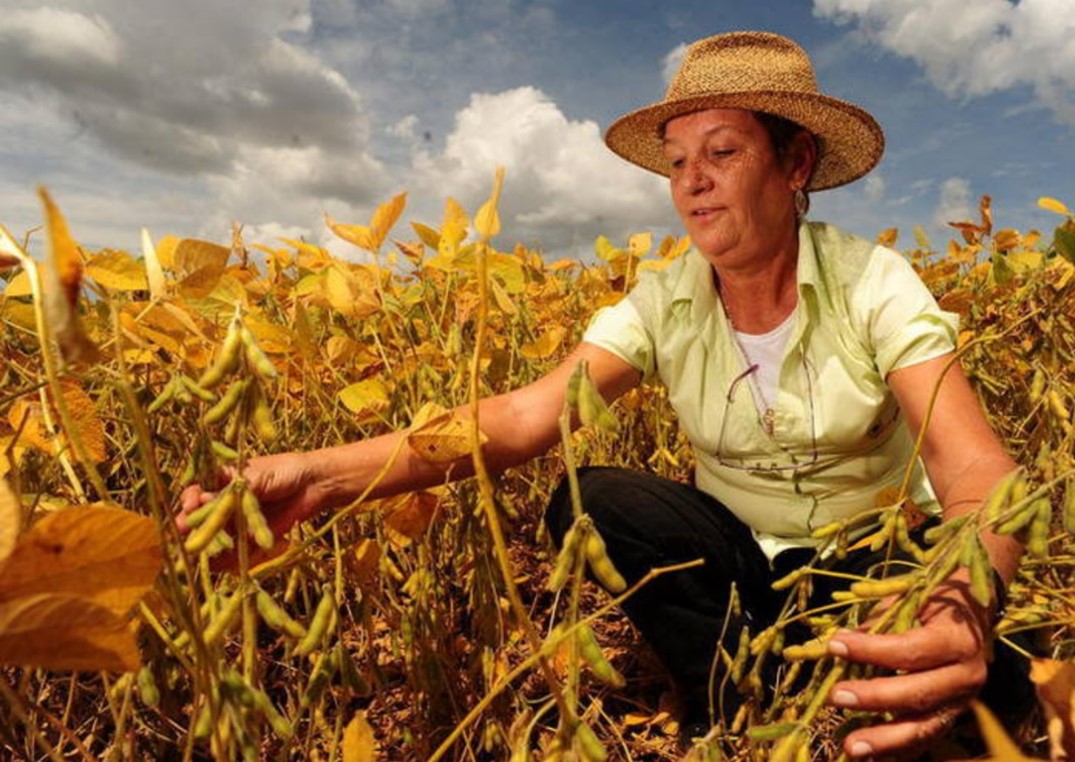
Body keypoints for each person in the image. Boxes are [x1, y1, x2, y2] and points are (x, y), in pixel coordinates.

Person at [180, 31, 1024, 760]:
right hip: (737, 568)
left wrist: (963, 600)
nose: (692, 182)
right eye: (678, 163)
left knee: (998, 678)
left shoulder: (872, 283)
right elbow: (519, 419)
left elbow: (974, 466)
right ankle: (740, 703)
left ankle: (843, 666)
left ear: (794, 161)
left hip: (868, 562)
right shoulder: (663, 300)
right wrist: (318, 478)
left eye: (722, 153)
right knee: (599, 498)